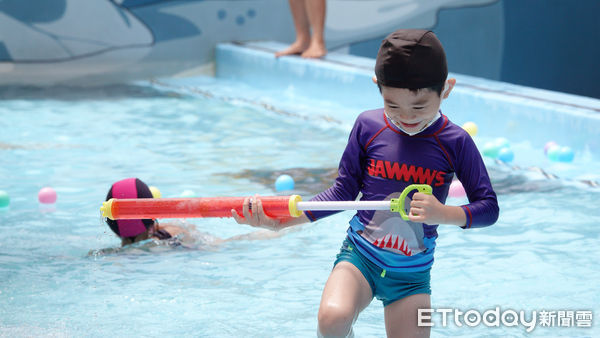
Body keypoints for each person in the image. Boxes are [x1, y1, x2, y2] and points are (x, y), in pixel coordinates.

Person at [233, 29, 499, 337]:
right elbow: (342, 193)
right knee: (332, 319)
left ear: (446, 89)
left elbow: (489, 208)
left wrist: (444, 214)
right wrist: (280, 223)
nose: (406, 117)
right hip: (360, 257)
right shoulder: (367, 126)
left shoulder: (455, 142)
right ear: (378, 87)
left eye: (419, 106)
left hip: (411, 277)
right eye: (393, 105)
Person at [103, 177, 288, 248]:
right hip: (183, 251)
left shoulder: (113, 254)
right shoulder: (171, 233)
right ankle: (286, 230)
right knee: (231, 242)